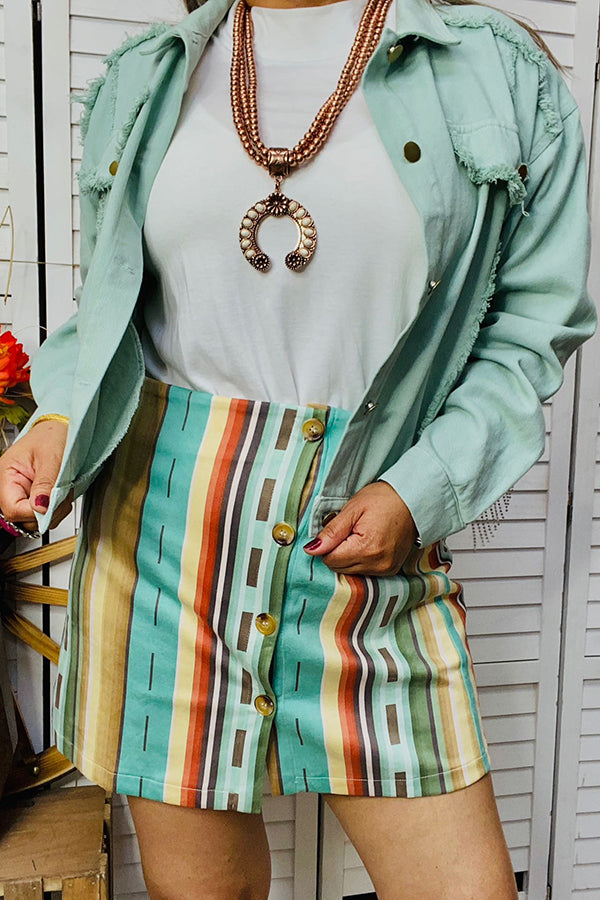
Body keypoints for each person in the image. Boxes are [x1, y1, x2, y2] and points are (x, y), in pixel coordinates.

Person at [0, 0, 596, 896]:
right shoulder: (146, 74)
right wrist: (57, 421)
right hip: (160, 538)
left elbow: (532, 327)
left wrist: (423, 488)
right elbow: (110, 313)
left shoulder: (497, 73)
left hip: (369, 526)